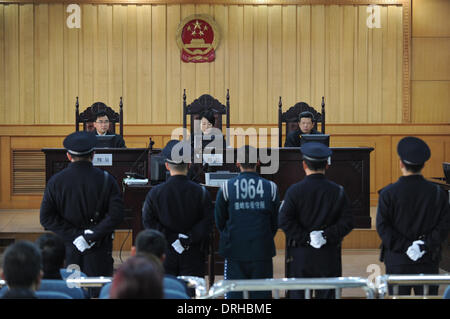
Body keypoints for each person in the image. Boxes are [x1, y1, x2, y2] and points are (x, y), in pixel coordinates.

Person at [40, 131, 125, 282]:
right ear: (93, 154)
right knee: (97, 289)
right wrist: (91, 236)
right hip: (99, 247)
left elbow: (46, 218)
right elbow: (116, 215)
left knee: (73, 288)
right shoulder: (107, 179)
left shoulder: (56, 181)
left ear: (68, 156)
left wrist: (75, 235)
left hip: (70, 246)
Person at [278, 142, 354, 299]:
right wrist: (325, 235)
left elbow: (284, 221)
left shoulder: (294, 191)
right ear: (327, 165)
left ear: (304, 164)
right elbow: (348, 221)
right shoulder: (338, 191)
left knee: (298, 295)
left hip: (300, 254)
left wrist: (306, 238)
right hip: (328, 254)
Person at [376, 136, 450, 296]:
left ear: (401, 163)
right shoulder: (437, 194)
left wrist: (405, 246)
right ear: (424, 165)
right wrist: (422, 245)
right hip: (427, 259)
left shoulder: (388, 193)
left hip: (397, 260)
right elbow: (444, 226)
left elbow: (383, 227)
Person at [215, 145, 280, 299]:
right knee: (262, 297)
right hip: (262, 249)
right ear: (258, 162)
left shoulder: (225, 187)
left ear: (237, 163)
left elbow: (220, 221)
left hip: (234, 250)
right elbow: (275, 222)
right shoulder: (271, 187)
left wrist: (231, 236)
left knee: (234, 296)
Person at [142, 140, 214, 279]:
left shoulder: (155, 193)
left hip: (165, 251)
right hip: (193, 252)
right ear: (189, 164)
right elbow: (208, 222)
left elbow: (148, 221)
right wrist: (188, 238)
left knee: (167, 290)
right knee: (190, 292)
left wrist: (172, 239)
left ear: (167, 166)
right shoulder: (201, 192)